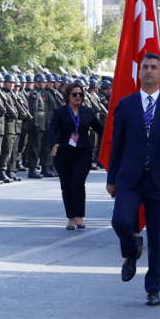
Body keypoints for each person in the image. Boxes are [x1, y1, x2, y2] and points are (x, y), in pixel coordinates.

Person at [107, 53, 160, 307]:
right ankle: (132, 250)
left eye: (154, 67)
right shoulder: (126, 104)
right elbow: (117, 144)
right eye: (145, 67)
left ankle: (153, 289)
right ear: (139, 72)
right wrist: (111, 178)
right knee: (120, 220)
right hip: (130, 177)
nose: (149, 71)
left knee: (158, 236)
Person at [50, 81, 105, 230]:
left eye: (80, 94)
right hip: (63, 154)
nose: (78, 97)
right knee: (66, 186)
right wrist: (53, 143)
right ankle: (71, 218)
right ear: (68, 96)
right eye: (74, 94)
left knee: (78, 184)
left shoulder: (87, 111)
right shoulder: (60, 112)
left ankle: (79, 217)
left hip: (83, 153)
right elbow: (52, 130)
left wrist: (116, 136)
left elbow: (100, 129)